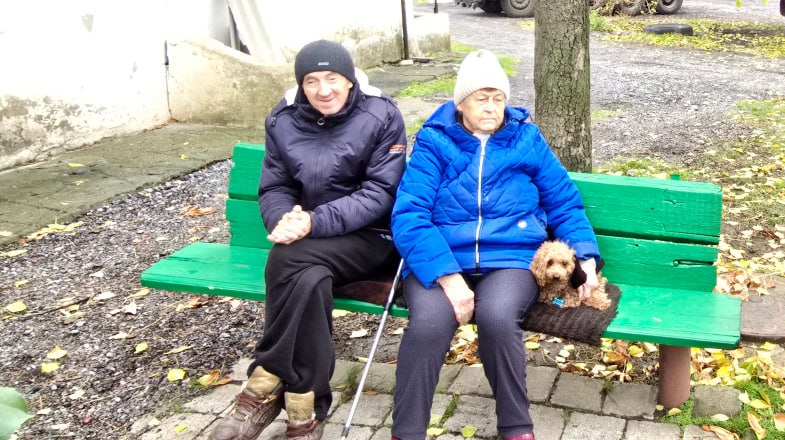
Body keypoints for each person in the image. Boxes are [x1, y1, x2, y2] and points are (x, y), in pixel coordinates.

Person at [389, 49, 601, 440]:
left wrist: (585, 256)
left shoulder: (526, 139)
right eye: (480, 99)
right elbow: (409, 216)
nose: (491, 108)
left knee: (498, 318)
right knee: (429, 324)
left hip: (511, 258)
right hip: (443, 259)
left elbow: (563, 201)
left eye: (498, 98)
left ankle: (516, 428)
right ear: (461, 103)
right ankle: (406, 432)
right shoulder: (435, 142)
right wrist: (449, 280)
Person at [211, 40, 407, 440]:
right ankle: (304, 406)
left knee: (288, 260)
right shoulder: (284, 119)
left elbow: (379, 194)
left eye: (332, 78)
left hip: (372, 238)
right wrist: (283, 219)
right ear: (301, 84)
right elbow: (275, 186)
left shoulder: (382, 115)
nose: (323, 90)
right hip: (308, 242)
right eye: (312, 81)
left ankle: (263, 382)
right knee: (307, 277)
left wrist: (311, 223)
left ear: (350, 81)